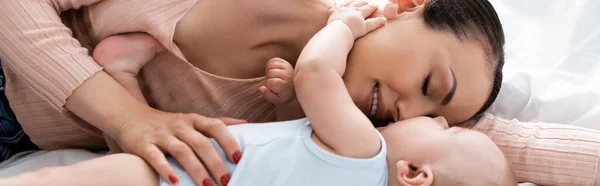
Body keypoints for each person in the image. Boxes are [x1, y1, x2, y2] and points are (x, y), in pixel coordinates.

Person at [0, 0, 597, 185]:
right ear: (405, 8)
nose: (409, 112)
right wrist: (129, 118)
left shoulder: (348, 125)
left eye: (439, 116)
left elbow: (516, 150)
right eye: (429, 86)